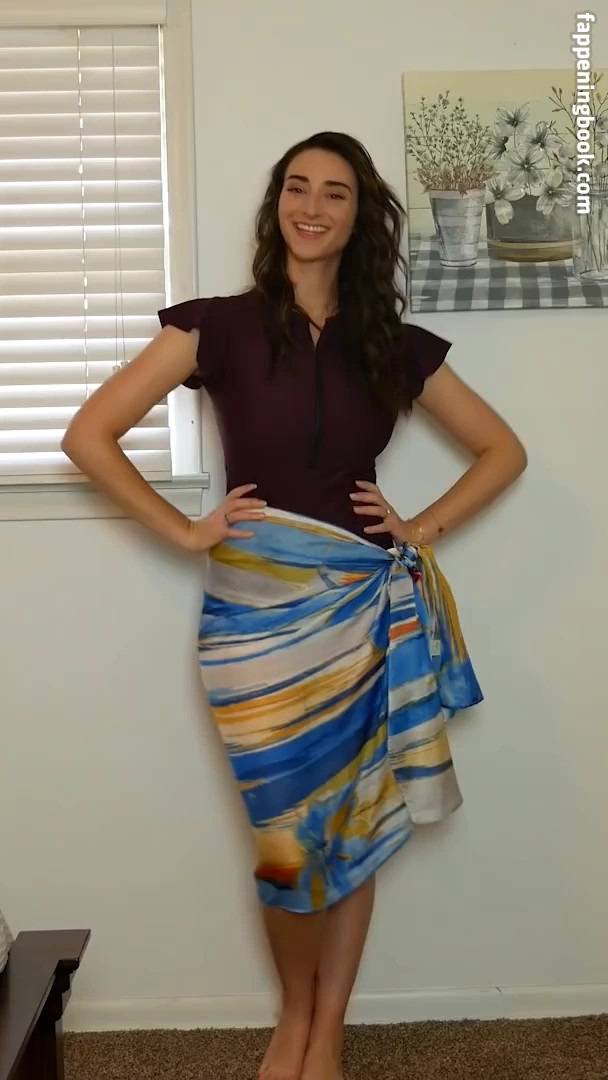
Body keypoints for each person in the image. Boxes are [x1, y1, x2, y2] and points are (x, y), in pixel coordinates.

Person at [62, 131, 527, 1080]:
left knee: (353, 825)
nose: (312, 207)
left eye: (336, 193)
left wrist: (418, 528)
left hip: (359, 608)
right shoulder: (216, 328)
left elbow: (503, 451)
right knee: (283, 835)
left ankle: (328, 1035)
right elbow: (90, 434)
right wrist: (185, 530)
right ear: (277, 203)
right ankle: (292, 1021)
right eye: (297, 188)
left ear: (361, 217)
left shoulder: (391, 344)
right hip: (251, 623)